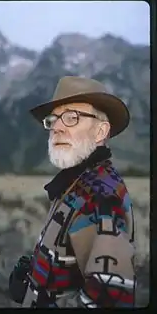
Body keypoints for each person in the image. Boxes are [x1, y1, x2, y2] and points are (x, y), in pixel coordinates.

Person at [9, 76, 136, 308]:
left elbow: (107, 301)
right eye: (54, 119)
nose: (56, 127)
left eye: (71, 117)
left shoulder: (99, 196)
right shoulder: (76, 184)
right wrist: (32, 284)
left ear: (100, 132)